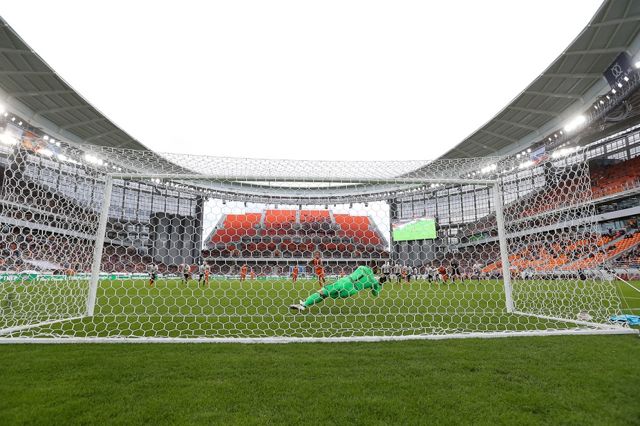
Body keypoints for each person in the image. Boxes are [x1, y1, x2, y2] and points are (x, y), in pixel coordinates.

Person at [289, 261, 387, 312]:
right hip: (351, 291)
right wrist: (380, 283)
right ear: (376, 270)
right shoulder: (373, 281)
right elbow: (375, 293)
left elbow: (366, 270)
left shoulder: (361, 267)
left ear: (370, 266)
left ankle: (304, 305)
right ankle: (305, 302)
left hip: (345, 282)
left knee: (323, 292)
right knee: (325, 295)